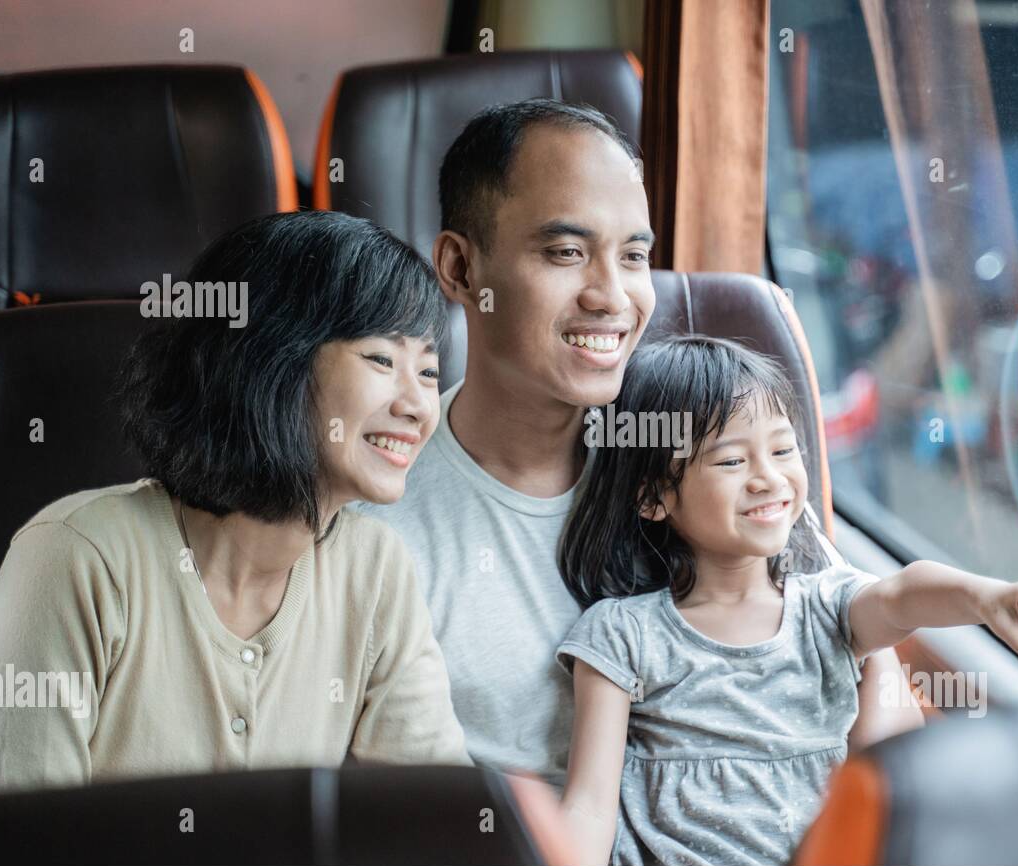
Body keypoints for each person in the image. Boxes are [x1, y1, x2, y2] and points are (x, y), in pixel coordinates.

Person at [360, 98, 924, 790]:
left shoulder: (701, 450)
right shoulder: (376, 516)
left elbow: (862, 650)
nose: (613, 296)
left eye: (632, 256)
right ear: (460, 268)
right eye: (566, 252)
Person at [0, 211, 471, 793]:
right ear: (271, 359)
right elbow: (33, 857)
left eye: (427, 370)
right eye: (381, 359)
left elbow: (434, 820)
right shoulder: (76, 559)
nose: (420, 405)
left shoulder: (377, 571)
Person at [555, 336, 1018, 865]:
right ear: (653, 498)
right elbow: (589, 808)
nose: (769, 478)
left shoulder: (825, 608)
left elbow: (901, 596)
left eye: (783, 450)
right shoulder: (622, 634)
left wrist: (986, 597)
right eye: (732, 460)